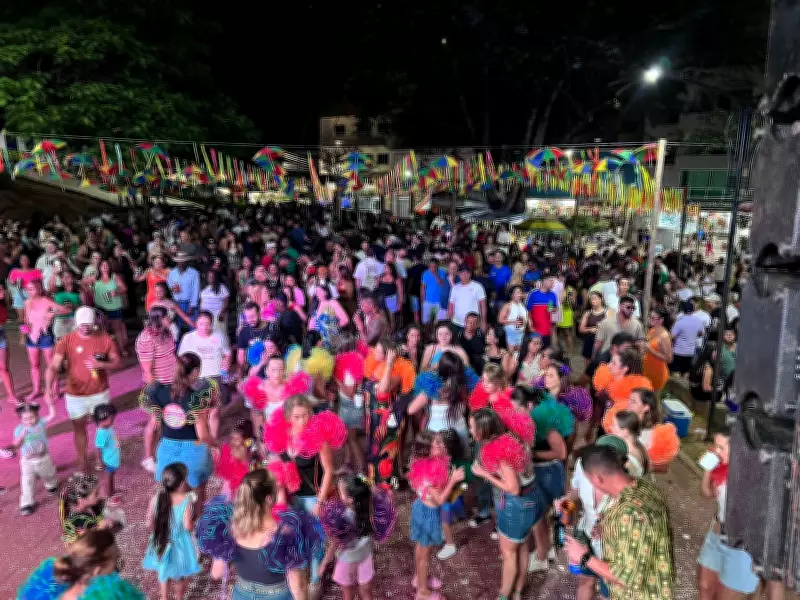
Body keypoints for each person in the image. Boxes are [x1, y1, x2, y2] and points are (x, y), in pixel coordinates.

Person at [564, 444, 676, 600]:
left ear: (597, 478)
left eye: (589, 480)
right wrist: (607, 528)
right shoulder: (645, 487)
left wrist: (583, 556)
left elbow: (627, 578)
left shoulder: (631, 514)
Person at [197, 469, 323, 600]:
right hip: (278, 595)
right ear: (269, 499)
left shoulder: (231, 528)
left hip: (241, 593)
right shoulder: (285, 532)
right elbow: (297, 584)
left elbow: (216, 573)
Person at [263, 394, 346, 593]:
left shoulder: (318, 439)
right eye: (297, 416)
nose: (303, 420)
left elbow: (328, 472)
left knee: (315, 538)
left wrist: (321, 500)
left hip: (311, 497)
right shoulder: (281, 437)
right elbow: (276, 465)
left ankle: (315, 577)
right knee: (292, 536)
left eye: (306, 415)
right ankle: (296, 572)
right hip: (289, 497)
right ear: (288, 417)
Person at [470, 408, 545, 600]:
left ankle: (503, 596)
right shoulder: (513, 437)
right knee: (521, 546)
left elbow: (513, 488)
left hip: (517, 504)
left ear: (484, 430)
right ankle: (518, 591)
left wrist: (484, 474)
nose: (471, 431)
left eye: (472, 427)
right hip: (532, 498)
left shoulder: (500, 452)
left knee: (508, 552)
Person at [45, 306, 121, 474]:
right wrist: (48, 389)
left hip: (100, 392)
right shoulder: (65, 341)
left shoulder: (105, 339)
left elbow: (117, 362)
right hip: (75, 394)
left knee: (103, 427)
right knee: (79, 428)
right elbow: (53, 366)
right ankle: (82, 461)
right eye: (81, 325)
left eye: (88, 324)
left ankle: (101, 457)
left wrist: (101, 364)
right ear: (76, 323)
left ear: (93, 322)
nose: (85, 327)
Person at [141, 352, 218, 514]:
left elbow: (154, 425)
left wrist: (149, 455)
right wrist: (215, 444)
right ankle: (195, 529)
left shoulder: (158, 392)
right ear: (196, 372)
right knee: (197, 495)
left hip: (166, 449)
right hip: (194, 450)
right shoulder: (197, 398)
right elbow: (203, 434)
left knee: (169, 497)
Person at [555, 435, 628, 600]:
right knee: (585, 582)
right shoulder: (584, 465)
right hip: (586, 536)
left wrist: (607, 527)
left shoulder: (627, 491)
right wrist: (566, 503)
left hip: (612, 550)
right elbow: (575, 493)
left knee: (608, 594)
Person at [319, 474, 398, 600]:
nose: (338, 495)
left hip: (346, 559)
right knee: (366, 591)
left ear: (349, 499)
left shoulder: (340, 517)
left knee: (347, 593)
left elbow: (335, 543)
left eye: (340, 492)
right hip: (365, 556)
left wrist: (325, 562)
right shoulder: (372, 508)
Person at [407, 431, 466, 600]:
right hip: (429, 515)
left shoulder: (425, 462)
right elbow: (440, 500)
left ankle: (420, 578)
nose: (442, 445)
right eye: (437, 444)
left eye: (441, 442)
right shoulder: (428, 472)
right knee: (425, 554)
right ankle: (423, 592)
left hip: (420, 508)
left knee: (421, 547)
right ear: (427, 450)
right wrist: (453, 480)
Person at [18, 529, 144, 599]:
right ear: (97, 571)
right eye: (115, 558)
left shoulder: (57, 579)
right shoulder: (110, 595)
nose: (118, 562)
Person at [142, 462, 201, 600]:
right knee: (180, 575)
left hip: (161, 540)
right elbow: (188, 526)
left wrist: (157, 532)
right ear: (181, 484)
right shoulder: (186, 501)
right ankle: (178, 597)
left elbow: (149, 522)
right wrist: (194, 522)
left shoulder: (155, 498)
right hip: (180, 544)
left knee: (164, 570)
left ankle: (164, 598)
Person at [178, 310, 232, 439]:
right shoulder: (188, 338)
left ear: (212, 324)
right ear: (196, 323)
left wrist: (227, 362)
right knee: (200, 412)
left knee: (214, 412)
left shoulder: (219, 336)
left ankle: (214, 440)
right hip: (196, 379)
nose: (205, 327)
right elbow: (181, 358)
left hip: (215, 378)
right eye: (201, 324)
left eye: (208, 324)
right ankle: (201, 438)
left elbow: (227, 353)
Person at [23, 279, 71, 401]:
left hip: (45, 336)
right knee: (34, 365)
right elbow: (26, 320)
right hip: (32, 337)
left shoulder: (46, 301)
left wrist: (53, 314)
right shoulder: (27, 302)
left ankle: (55, 390)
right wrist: (25, 328)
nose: (29, 291)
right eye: (27, 289)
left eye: (31, 289)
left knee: (51, 364)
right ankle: (36, 389)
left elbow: (67, 310)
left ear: (39, 289)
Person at [14, 401, 59, 515]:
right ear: (20, 419)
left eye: (32, 417)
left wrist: (50, 404)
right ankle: (27, 503)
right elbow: (15, 444)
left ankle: (51, 484)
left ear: (37, 416)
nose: (29, 421)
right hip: (27, 461)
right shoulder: (19, 429)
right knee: (27, 481)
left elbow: (52, 415)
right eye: (25, 419)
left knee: (48, 474)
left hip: (43, 457)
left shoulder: (41, 423)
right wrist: (21, 437)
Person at [447, 264, 487, 335]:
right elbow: (451, 305)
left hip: (473, 324)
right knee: (457, 344)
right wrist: (449, 321)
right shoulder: (455, 288)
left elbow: (483, 306)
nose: (464, 275)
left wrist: (483, 322)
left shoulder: (478, 286)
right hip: (456, 322)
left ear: (470, 274)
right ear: (458, 274)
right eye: (462, 273)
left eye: (467, 273)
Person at [166, 252, 200, 335]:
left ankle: (193, 346)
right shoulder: (172, 273)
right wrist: (173, 290)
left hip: (189, 303)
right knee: (177, 327)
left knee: (192, 325)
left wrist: (192, 305)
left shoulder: (194, 273)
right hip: (176, 303)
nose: (181, 263)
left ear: (187, 262)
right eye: (179, 261)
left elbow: (196, 290)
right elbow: (170, 286)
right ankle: (177, 346)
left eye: (183, 261)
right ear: (176, 262)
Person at [93, 403, 121, 503]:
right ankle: (109, 497)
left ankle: (112, 491)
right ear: (102, 419)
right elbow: (98, 449)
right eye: (111, 418)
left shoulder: (108, 427)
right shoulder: (101, 433)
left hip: (112, 458)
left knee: (112, 476)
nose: (113, 420)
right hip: (107, 460)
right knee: (108, 478)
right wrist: (99, 461)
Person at [670, 299, 707, 376]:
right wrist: (693, 335)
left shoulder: (679, 321)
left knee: (676, 371)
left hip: (678, 351)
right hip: (690, 352)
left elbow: (672, 336)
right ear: (693, 310)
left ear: (683, 310)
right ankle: (685, 387)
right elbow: (702, 333)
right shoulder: (698, 321)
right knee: (686, 372)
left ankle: (677, 387)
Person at [611, 409, 650, 477]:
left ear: (625, 432)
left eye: (614, 425)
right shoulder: (638, 446)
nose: (611, 427)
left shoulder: (627, 461)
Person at [642, 307, 673, 392]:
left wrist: (650, 351)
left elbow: (669, 358)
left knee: (654, 399)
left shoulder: (664, 336)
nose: (649, 319)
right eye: (649, 317)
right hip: (647, 369)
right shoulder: (652, 330)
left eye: (652, 318)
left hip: (658, 372)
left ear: (661, 320)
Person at [199, 268, 230, 333]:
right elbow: (202, 301)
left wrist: (222, 313)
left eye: (212, 276)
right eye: (209, 276)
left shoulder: (222, 287)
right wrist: (201, 313)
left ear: (216, 277)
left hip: (217, 315)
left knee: (219, 333)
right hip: (206, 316)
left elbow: (226, 302)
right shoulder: (203, 287)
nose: (211, 278)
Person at [498, 285, 528, 351]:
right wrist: (513, 321)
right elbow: (500, 320)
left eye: (520, 293)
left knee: (518, 356)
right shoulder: (507, 306)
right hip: (510, 335)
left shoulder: (523, 306)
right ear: (511, 295)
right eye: (517, 293)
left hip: (521, 334)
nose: (519, 295)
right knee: (511, 355)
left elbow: (525, 319)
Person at [579, 291, 606, 362]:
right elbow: (581, 329)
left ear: (601, 299)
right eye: (591, 299)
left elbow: (611, 328)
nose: (592, 300)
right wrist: (590, 329)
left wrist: (602, 326)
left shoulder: (607, 312)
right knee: (588, 366)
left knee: (600, 364)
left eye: (595, 298)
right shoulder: (587, 313)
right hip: (589, 341)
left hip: (602, 342)